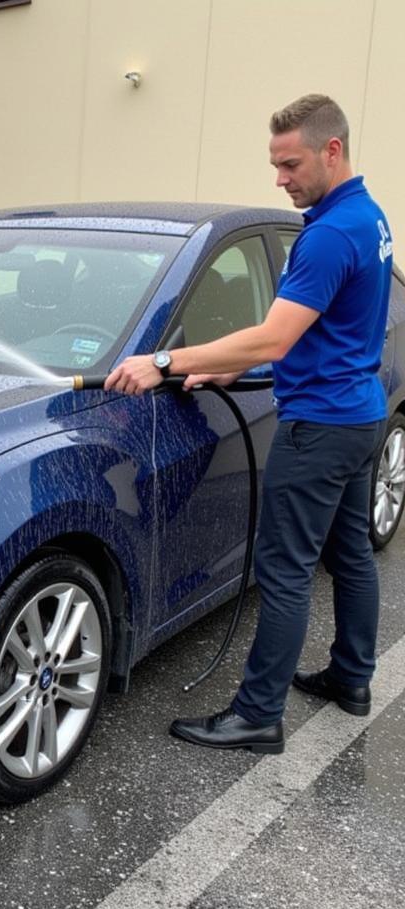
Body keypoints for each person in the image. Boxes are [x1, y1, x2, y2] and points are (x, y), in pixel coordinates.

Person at [104, 93, 393, 753]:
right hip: (358, 415)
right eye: (275, 164)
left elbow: (272, 339)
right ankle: (353, 678)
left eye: (290, 164)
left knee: (285, 568)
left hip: (318, 426)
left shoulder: (325, 235)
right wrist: (226, 368)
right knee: (348, 554)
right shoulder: (367, 216)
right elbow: (310, 330)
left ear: (332, 150)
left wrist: (165, 360)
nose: (280, 179)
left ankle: (258, 714)